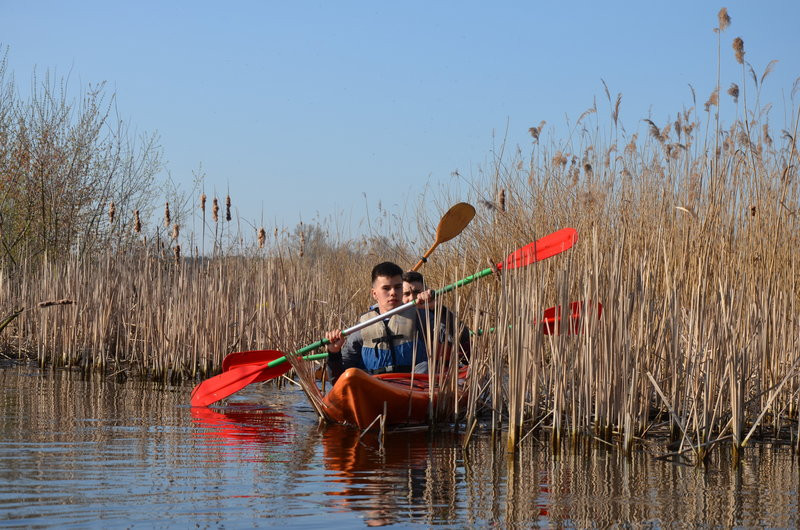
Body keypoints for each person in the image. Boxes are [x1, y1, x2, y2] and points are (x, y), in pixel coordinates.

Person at [325, 262, 430, 381]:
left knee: (425, 367)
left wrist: (433, 307)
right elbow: (338, 379)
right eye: (386, 288)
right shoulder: (363, 326)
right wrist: (334, 353)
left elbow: (450, 338)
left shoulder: (421, 316)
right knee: (353, 373)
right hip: (374, 385)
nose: (393, 293)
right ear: (374, 294)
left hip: (413, 384)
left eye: (398, 287)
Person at [401, 270, 471, 366]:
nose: (412, 298)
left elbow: (463, 339)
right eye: (406, 294)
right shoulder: (389, 316)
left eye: (417, 292)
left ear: (425, 291)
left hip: (435, 372)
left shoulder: (435, 315)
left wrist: (436, 308)